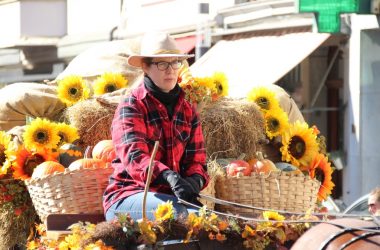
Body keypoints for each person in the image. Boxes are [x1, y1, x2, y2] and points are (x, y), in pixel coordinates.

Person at [103, 32, 210, 221]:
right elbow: (135, 158)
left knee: (210, 220)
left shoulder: (188, 109)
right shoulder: (132, 105)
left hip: (171, 199)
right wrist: (169, 176)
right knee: (185, 216)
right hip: (128, 196)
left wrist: (195, 180)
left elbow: (198, 161)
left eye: (175, 62)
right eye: (162, 64)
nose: (170, 70)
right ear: (145, 66)